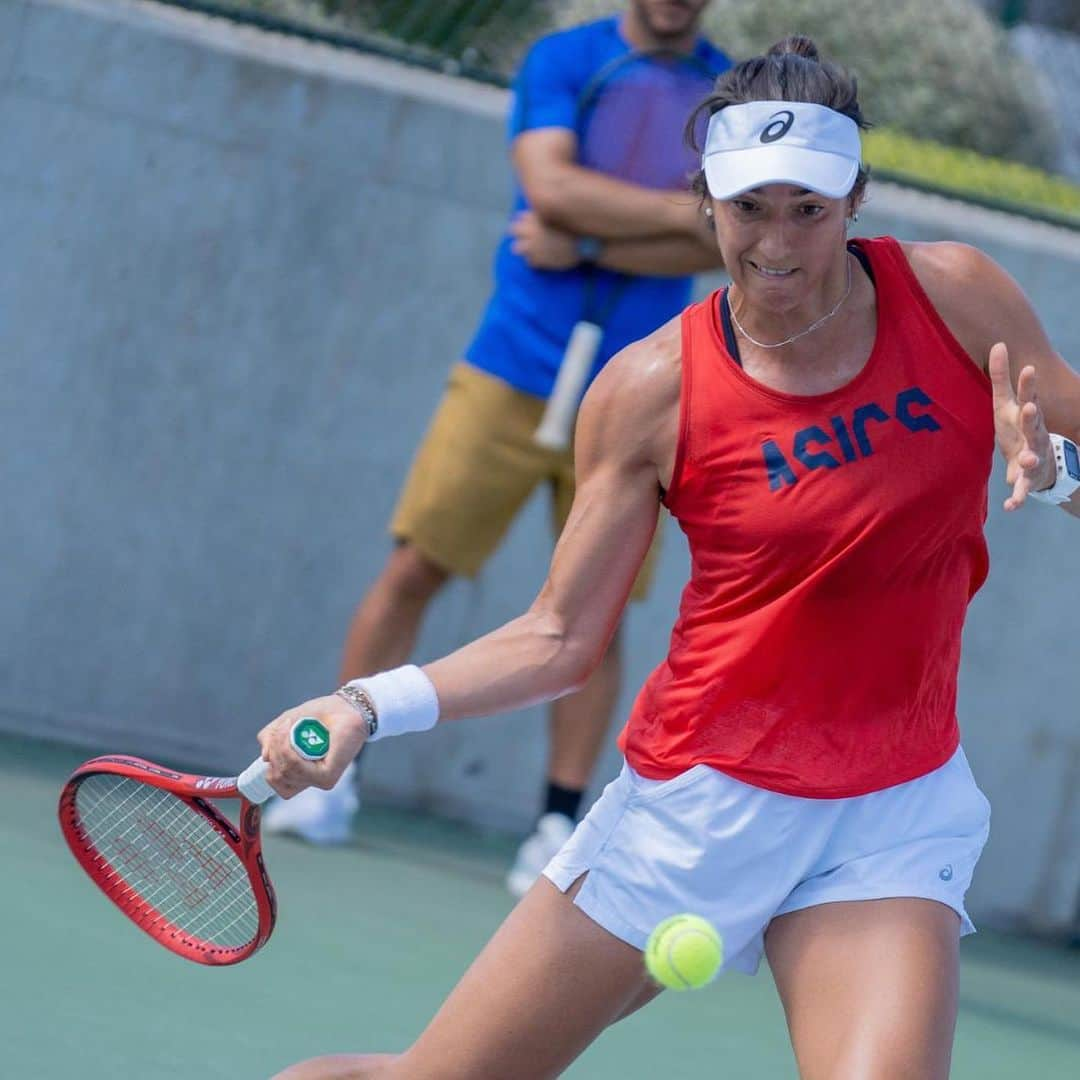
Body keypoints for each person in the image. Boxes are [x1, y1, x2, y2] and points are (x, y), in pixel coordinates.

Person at [259, 35, 1080, 1080]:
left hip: (891, 807)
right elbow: (558, 636)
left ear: (855, 198)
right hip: (700, 806)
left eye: (808, 209)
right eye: (749, 208)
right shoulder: (653, 390)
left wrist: (1055, 472)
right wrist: (368, 706)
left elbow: (1075, 456)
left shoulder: (956, 297)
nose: (777, 242)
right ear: (705, 201)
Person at [263, 0, 730, 898]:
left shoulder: (723, 95)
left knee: (599, 613)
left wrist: (592, 238)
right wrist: (667, 217)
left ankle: (557, 822)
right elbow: (550, 188)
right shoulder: (564, 60)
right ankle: (333, 778)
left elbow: (730, 230)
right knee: (413, 569)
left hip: (641, 391)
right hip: (512, 364)